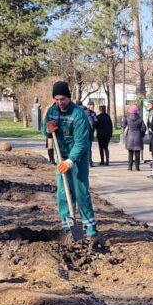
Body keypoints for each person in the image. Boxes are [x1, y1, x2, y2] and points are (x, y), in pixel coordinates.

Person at [44, 81, 98, 237]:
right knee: (63, 194)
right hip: (62, 158)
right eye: (57, 99)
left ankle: (90, 228)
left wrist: (70, 161)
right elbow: (45, 131)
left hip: (77, 160)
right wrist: (48, 130)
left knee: (81, 192)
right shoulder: (52, 111)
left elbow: (82, 143)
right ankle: (68, 228)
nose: (60, 102)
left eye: (63, 99)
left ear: (69, 97)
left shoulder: (78, 114)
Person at [122, 104, 146, 171]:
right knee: (137, 153)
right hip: (138, 136)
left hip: (130, 136)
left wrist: (124, 121)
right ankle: (137, 167)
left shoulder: (127, 118)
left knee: (130, 153)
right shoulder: (140, 119)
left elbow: (123, 125)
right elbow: (144, 128)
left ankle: (130, 167)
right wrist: (142, 134)